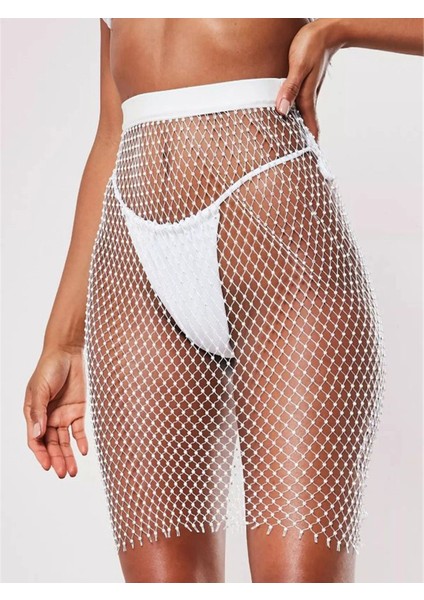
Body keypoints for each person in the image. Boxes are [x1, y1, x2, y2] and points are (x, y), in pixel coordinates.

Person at [23, 18, 423, 583]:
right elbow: (112, 129)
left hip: (285, 264)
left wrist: (337, 27)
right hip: (134, 266)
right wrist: (63, 340)